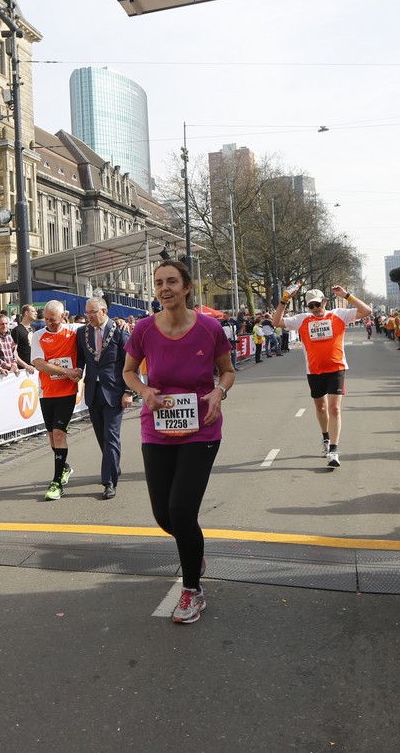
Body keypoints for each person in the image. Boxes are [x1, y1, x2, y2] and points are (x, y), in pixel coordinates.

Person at [123, 259, 234, 624]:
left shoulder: (209, 328)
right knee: (164, 515)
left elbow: (227, 371)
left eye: (171, 281)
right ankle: (193, 550)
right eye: (158, 283)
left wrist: (218, 392)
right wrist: (144, 391)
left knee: (183, 511)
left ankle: (192, 591)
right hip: (157, 429)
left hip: (202, 428)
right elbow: (128, 372)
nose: (164, 288)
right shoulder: (143, 329)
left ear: (187, 288)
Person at [272, 285, 372, 467]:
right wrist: (284, 300)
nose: (315, 308)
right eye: (311, 306)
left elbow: (366, 311)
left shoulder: (339, 314)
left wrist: (346, 295)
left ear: (325, 302)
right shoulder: (302, 319)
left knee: (334, 409)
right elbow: (276, 322)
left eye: (318, 304)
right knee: (321, 407)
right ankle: (326, 437)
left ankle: (333, 450)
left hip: (337, 368)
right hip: (314, 370)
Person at [77, 296, 132, 498]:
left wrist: (128, 391)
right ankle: (113, 466)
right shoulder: (82, 332)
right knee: (102, 436)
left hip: (114, 392)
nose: (89, 316)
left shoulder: (119, 331)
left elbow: (130, 363)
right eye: (87, 312)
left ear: (104, 311)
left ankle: (109, 481)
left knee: (111, 435)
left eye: (93, 312)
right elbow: (80, 358)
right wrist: (77, 370)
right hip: (93, 391)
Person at [31, 300, 83, 500]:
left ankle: (56, 483)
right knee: (52, 436)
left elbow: (94, 326)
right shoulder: (39, 335)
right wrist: (67, 371)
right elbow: (39, 364)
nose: (49, 323)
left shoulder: (74, 331)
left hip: (67, 393)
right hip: (47, 393)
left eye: (53, 319)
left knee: (60, 435)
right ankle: (65, 467)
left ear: (63, 316)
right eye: (46, 319)